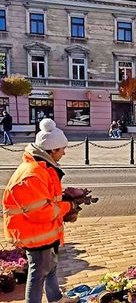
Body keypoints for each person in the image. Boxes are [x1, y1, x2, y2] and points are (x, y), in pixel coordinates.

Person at [2, 119, 86, 303]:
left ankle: (56, 299)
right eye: (62, 149)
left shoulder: (44, 168)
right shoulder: (32, 174)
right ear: (52, 150)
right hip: (34, 233)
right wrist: (69, 206)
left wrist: (66, 196)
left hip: (44, 232)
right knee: (38, 273)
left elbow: (46, 199)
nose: (64, 152)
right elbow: (42, 212)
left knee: (51, 268)